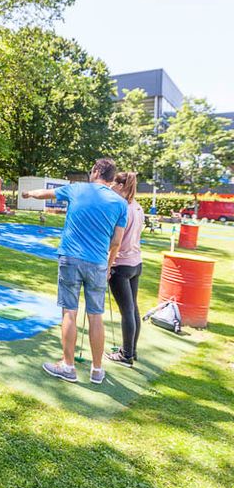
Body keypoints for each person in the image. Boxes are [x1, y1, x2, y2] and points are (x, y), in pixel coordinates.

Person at [21, 158, 128, 385]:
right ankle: (97, 370)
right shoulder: (120, 204)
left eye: (91, 170)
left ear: (97, 171)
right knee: (95, 315)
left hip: (70, 258)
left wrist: (29, 194)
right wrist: (108, 265)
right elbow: (117, 241)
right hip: (98, 263)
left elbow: (44, 194)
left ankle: (68, 366)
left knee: (69, 311)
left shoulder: (76, 189)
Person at [106, 172, 144, 367]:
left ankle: (126, 354)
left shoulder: (122, 208)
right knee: (133, 309)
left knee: (127, 311)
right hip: (136, 263)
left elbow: (116, 242)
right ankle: (132, 350)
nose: (110, 187)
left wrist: (108, 266)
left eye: (113, 184)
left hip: (121, 265)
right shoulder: (137, 207)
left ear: (121, 185)